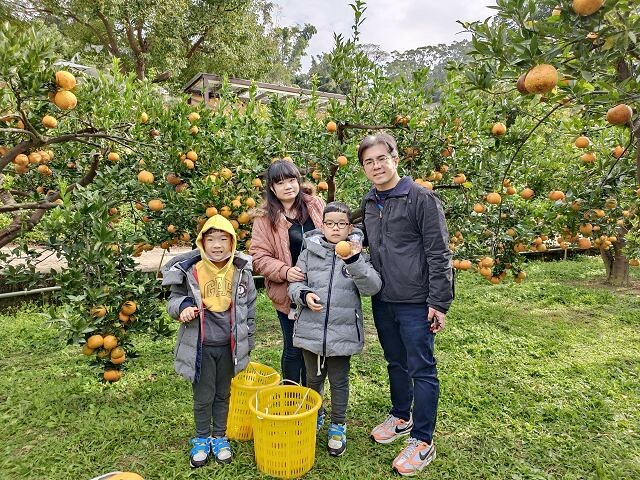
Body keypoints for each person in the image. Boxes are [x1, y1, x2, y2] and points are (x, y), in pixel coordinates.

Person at [358, 132, 454, 476]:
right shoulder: (370, 202)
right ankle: (401, 416)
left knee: (421, 368)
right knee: (395, 361)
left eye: (382, 158)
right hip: (383, 298)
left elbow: (440, 253)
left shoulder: (421, 199)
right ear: (364, 168)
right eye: (369, 162)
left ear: (395, 159)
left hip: (416, 301)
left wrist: (439, 302)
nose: (376, 166)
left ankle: (423, 440)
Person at [162, 215, 257, 469]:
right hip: (201, 347)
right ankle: (202, 438)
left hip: (229, 347)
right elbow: (173, 300)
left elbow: (249, 310)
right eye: (211, 239)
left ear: (232, 242)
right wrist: (182, 306)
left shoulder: (240, 271)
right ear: (201, 242)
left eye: (223, 239)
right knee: (204, 396)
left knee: (223, 394)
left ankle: (219, 437)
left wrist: (248, 341)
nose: (217, 245)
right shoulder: (191, 270)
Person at [288, 202, 381, 457]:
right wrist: (304, 295)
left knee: (339, 381)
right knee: (313, 379)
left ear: (350, 227)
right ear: (322, 226)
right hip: (311, 329)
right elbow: (294, 285)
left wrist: (353, 260)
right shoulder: (309, 252)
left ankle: (338, 424)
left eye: (341, 224)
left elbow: (372, 287)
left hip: (343, 331)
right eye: (330, 223)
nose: (335, 228)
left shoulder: (357, 254)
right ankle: (315, 413)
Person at [250, 159, 325, 385]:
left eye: (292, 180)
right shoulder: (264, 218)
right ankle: (290, 396)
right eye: (280, 183)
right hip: (288, 293)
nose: (288, 186)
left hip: (319, 288)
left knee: (315, 348)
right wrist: (284, 271)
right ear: (272, 188)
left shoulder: (316, 205)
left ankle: (311, 397)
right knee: (294, 348)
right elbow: (258, 258)